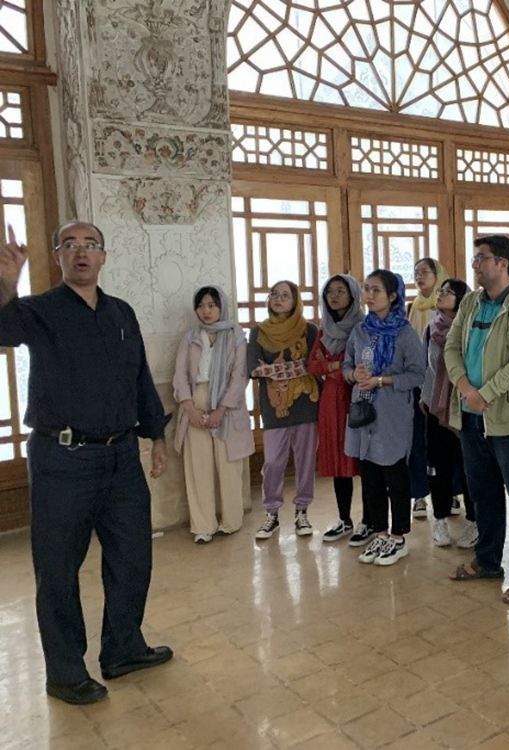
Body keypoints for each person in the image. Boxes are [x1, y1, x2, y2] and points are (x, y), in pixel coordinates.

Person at [0, 222, 171, 705]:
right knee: (58, 569)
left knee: (132, 557)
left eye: (90, 245)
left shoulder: (121, 312)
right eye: (70, 245)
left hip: (121, 458)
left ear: (103, 256)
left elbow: (139, 378)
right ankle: (65, 672)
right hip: (62, 459)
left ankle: (123, 649)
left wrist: (156, 434)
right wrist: (7, 284)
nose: (81, 252)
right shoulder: (39, 310)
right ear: (58, 256)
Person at [444, 235, 509, 604]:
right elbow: (451, 346)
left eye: (481, 258)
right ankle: (488, 560)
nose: (475, 265)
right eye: (475, 258)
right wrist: (463, 386)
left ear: (502, 263)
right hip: (472, 416)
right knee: (483, 493)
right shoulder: (471, 301)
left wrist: (485, 393)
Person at [344, 270, 425, 566]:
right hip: (363, 410)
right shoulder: (360, 330)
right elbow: (346, 366)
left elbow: (417, 374)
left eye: (376, 290)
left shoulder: (405, 333)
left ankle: (398, 537)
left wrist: (382, 380)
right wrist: (354, 374)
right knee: (370, 475)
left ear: (392, 296)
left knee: (394, 473)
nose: (369, 295)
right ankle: (379, 532)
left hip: (393, 413)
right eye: (366, 289)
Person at [172, 286, 253, 544]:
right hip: (195, 401)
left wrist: (220, 410)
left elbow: (240, 376)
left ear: (221, 307)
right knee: (198, 467)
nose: (206, 311)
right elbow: (180, 375)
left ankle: (231, 521)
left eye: (211, 305)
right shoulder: (190, 337)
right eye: (201, 306)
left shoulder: (236, 335)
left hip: (227, 404)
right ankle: (203, 526)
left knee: (228, 465)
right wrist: (190, 409)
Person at [248, 280, 320, 540]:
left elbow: (313, 365)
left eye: (285, 295)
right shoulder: (258, 332)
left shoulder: (309, 330)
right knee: (273, 462)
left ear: (295, 300)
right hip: (274, 407)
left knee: (305, 460)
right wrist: (292, 368)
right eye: (274, 294)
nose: (278, 299)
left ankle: (302, 511)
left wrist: (273, 370)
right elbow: (254, 369)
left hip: (306, 405)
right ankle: (272, 513)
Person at [421, 278, 477, 548]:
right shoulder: (432, 328)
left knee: (470, 466)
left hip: (465, 405)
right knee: (437, 465)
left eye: (448, 292)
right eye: (441, 290)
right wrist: (425, 399)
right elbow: (427, 368)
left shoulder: (471, 327)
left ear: (462, 299)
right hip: (437, 407)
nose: (441, 294)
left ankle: (475, 520)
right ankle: (440, 519)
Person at [308, 274, 364, 543]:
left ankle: (370, 521)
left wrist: (334, 366)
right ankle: (345, 519)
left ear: (353, 295)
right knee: (339, 461)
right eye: (330, 291)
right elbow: (312, 365)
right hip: (331, 400)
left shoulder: (363, 326)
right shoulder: (324, 330)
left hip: (359, 396)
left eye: (341, 290)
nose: (334, 296)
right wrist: (336, 365)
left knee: (365, 461)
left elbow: (362, 363)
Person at [407, 257, 447, 519]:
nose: (419, 276)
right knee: (417, 440)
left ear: (437, 275)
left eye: (425, 272)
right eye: (416, 272)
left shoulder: (446, 305)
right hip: (416, 381)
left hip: (442, 382)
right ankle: (419, 495)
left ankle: (449, 492)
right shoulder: (412, 306)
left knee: (443, 440)